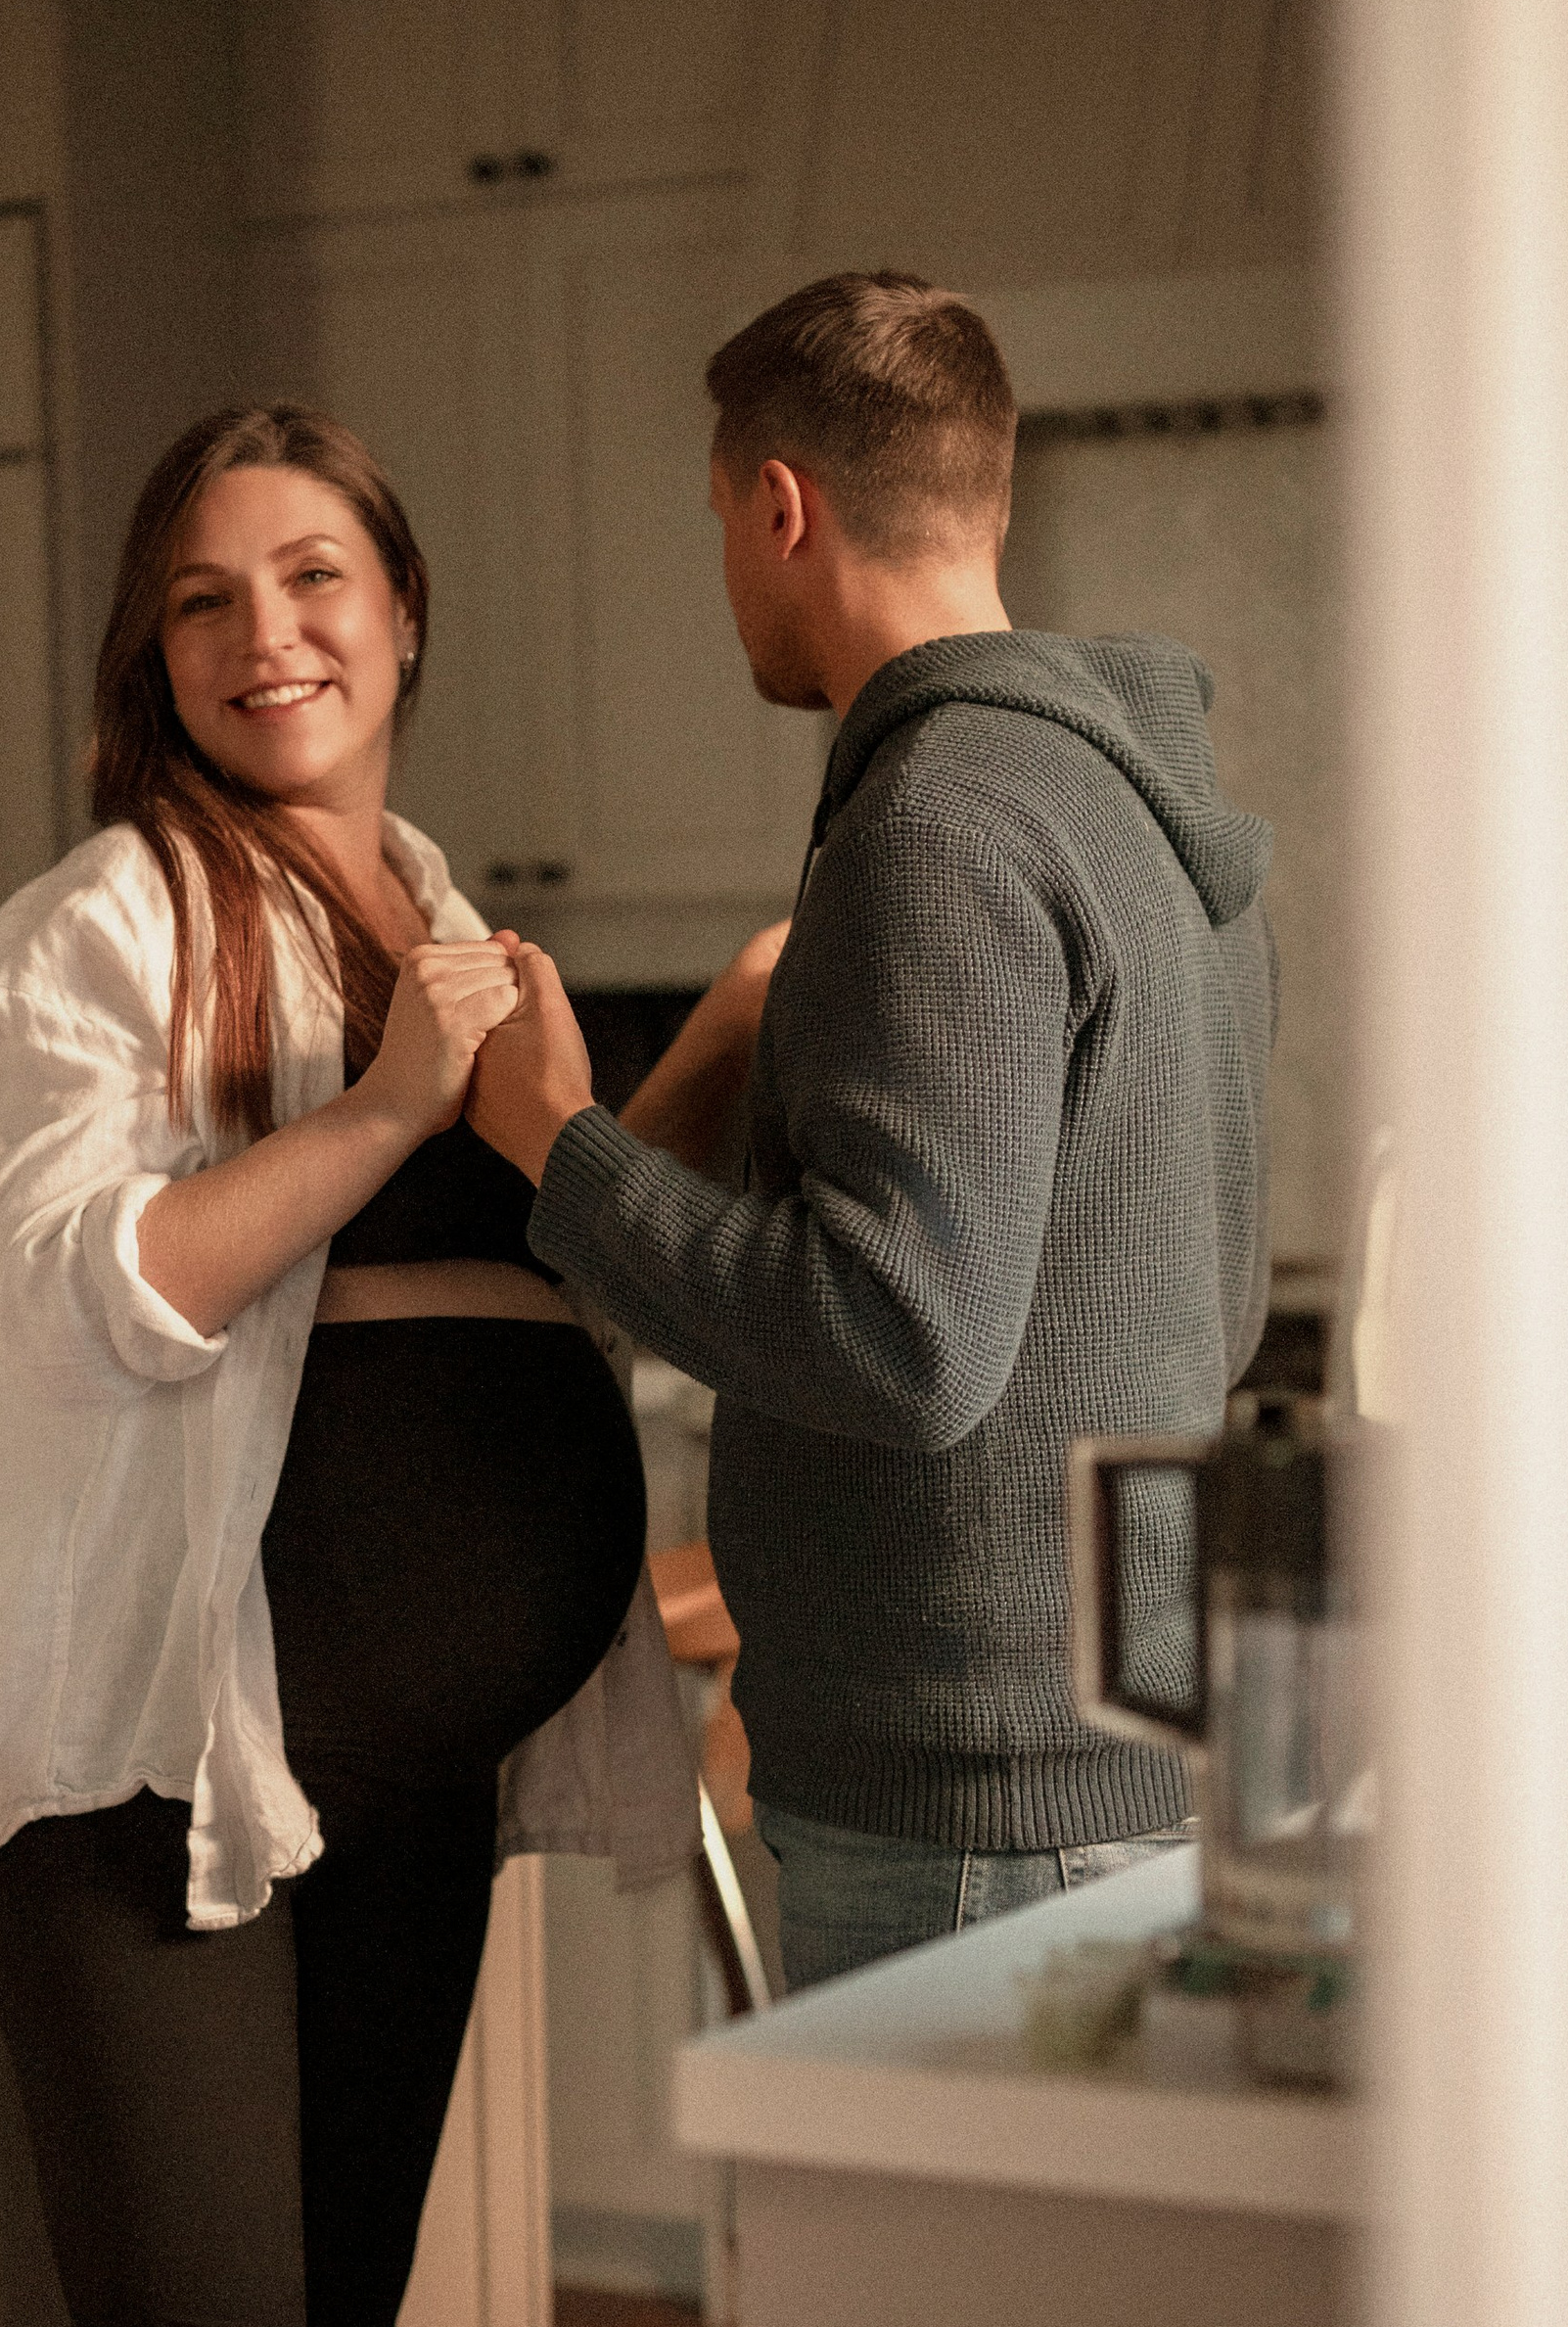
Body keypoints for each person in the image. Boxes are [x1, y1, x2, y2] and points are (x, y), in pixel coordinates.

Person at [0, 401, 692, 2327]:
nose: (275, 634)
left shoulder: (445, 899)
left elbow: (552, 1270)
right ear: (154, 645)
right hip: (153, 1755)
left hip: (392, 1768)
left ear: (402, 606)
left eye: (324, 574)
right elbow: (104, 1293)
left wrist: (651, 1081)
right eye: (215, 593)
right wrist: (378, 1111)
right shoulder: (100, 926)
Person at [467, 269, 1274, 1994]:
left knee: (932, 2274)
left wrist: (562, 1144)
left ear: (782, 508)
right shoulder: (1126, 806)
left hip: (971, 1817)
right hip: (1108, 1758)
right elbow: (1203, 1293)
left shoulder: (940, 822)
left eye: (721, 525)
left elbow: (901, 1340)